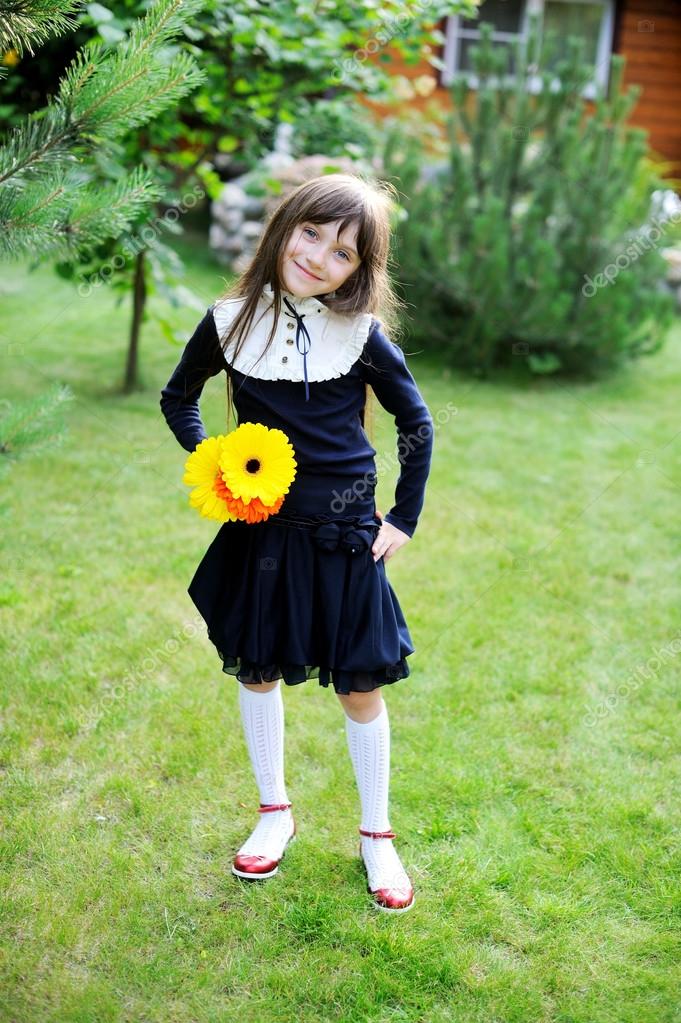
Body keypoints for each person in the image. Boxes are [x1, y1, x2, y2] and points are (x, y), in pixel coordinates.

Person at [160, 173, 434, 914]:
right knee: (258, 669)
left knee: (359, 684)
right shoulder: (227, 321)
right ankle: (273, 811)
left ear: (358, 270)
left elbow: (417, 426)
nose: (317, 256)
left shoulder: (362, 335)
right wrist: (212, 458)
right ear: (283, 226)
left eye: (341, 251)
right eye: (310, 233)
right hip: (263, 531)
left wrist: (401, 518)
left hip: (345, 533)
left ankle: (376, 833)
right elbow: (177, 396)